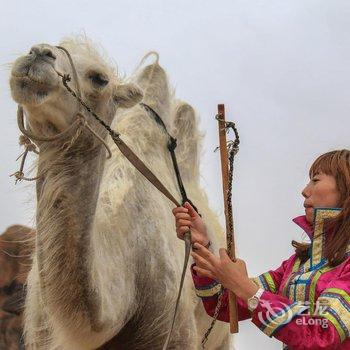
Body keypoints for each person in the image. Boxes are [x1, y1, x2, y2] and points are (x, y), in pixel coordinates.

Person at [172, 150, 350, 349]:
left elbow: (322, 333)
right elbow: (224, 306)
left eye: (315, 180)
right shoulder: (296, 265)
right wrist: (201, 245)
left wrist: (246, 288)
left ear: (345, 188)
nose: (305, 190)